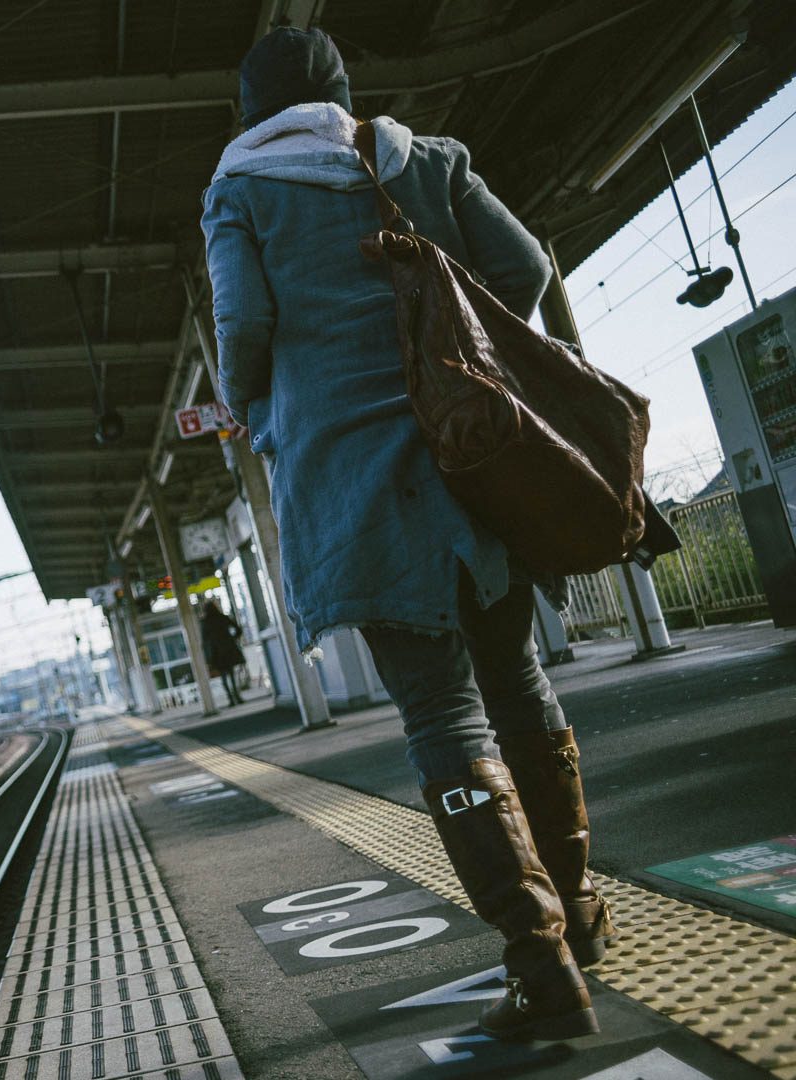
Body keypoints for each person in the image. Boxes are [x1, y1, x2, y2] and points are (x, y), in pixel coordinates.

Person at [201, 27, 606, 1042]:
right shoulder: (420, 159)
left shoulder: (238, 193)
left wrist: (256, 405)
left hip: (357, 486)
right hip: (478, 465)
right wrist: (454, 348)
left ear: (250, 109)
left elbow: (242, 331)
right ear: (343, 91)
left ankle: (542, 965)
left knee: (442, 719)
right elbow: (524, 267)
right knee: (518, 684)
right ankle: (582, 914)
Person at [197, 598, 247, 704]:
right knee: (232, 673)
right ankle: (237, 696)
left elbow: (204, 639)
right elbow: (238, 629)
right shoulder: (222, 617)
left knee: (223, 675)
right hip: (229, 648)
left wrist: (207, 655)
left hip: (216, 651)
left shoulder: (205, 622)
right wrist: (234, 638)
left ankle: (230, 698)